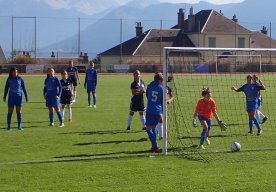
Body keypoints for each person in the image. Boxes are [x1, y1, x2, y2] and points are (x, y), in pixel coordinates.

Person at [145, 72, 164, 153]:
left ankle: (155, 146)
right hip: (158, 110)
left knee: (149, 128)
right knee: (153, 128)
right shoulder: (161, 88)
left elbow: (147, 96)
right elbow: (162, 100)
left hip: (150, 109)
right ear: (160, 80)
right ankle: (154, 146)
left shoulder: (149, 86)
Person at [156, 75, 174, 139]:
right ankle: (160, 135)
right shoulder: (158, 87)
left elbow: (172, 97)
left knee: (162, 120)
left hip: (164, 106)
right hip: (158, 106)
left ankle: (159, 134)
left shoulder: (167, 88)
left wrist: (169, 100)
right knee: (161, 120)